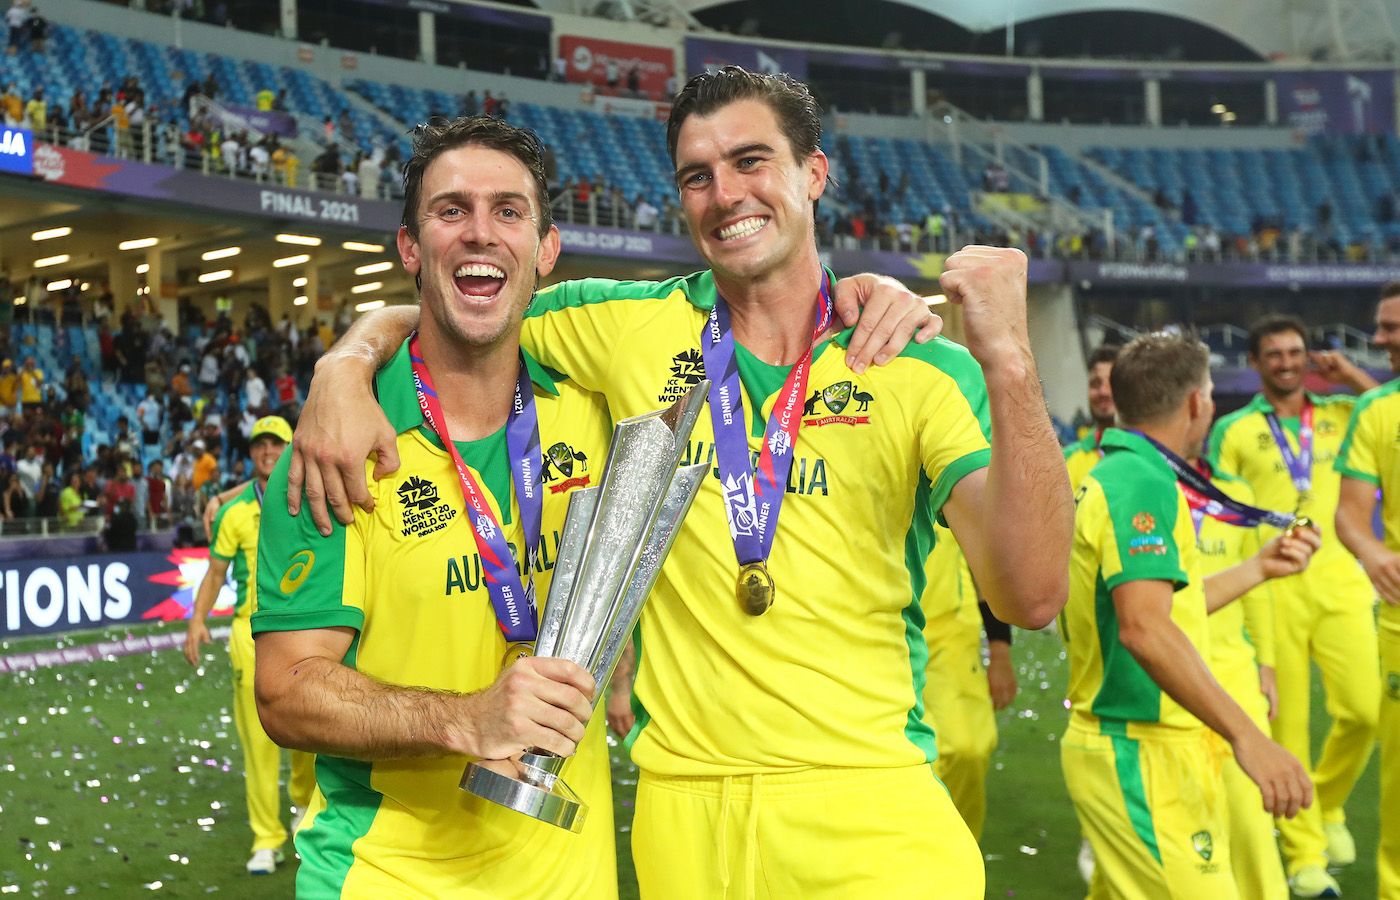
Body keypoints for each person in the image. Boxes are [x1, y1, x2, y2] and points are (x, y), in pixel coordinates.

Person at [290, 68, 1072, 897]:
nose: (724, 193)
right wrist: (345, 363)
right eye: (697, 176)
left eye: (750, 161)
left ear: (814, 172)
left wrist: (1014, 364)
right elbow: (469, 299)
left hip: (871, 803)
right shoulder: (624, 324)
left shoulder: (916, 361)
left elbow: (1032, 595)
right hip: (684, 825)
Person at [251, 118, 619, 898]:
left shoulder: (602, 407)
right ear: (411, 249)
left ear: (547, 250)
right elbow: (285, 691)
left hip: (571, 879)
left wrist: (863, 291)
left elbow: (754, 306)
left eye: (509, 211)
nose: (480, 233)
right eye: (450, 211)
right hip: (386, 875)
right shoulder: (336, 448)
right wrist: (462, 719)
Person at [1062, 331, 1318, 898]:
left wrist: (1258, 568)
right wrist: (1250, 737)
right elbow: (1145, 629)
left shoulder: (1125, 473)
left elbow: (1160, 607)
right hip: (1141, 749)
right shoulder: (1142, 482)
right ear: (1198, 403)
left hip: (1146, 743)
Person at [1206, 314, 1380, 897]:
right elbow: (1222, 512)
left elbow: (1388, 409)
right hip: (1272, 588)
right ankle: (1305, 856)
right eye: (1274, 354)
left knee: (1364, 710)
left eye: (1296, 352)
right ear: (1255, 362)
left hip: (1341, 583)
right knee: (1289, 728)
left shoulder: (1343, 414)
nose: (1286, 362)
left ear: (1310, 358)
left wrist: (1352, 374)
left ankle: (1326, 801)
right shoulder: (1232, 430)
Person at [182, 415, 314, 876]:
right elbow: (216, 573)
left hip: (304, 631)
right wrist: (197, 620)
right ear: (252, 452)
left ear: (288, 447)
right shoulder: (236, 514)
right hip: (249, 635)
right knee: (257, 741)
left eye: (276, 444)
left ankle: (302, 804)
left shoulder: (307, 491)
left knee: (308, 731)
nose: (268, 452)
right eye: (260, 445)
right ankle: (266, 838)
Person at [1187, 448, 1290, 898]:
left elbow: (1255, 589)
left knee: (1250, 818)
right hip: (1160, 674)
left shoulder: (1236, 493)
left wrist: (1266, 661)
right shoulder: (1134, 487)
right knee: (1179, 823)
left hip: (1232, 674)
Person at [1334, 283, 1400, 900]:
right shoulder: (1376, 411)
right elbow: (1350, 514)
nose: (1380, 340)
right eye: (1381, 327)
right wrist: (1373, 549)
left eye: (1391, 327)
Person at [918, 521, 1015, 840]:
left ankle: (957, 850)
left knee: (968, 749)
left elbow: (982, 556)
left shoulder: (945, 473)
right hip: (878, 630)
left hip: (951, 634)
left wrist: (1000, 648)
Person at [1065, 344, 1119, 492]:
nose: (1103, 392)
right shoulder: (1066, 459)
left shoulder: (1149, 453)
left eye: (1112, 383)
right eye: (1095, 384)